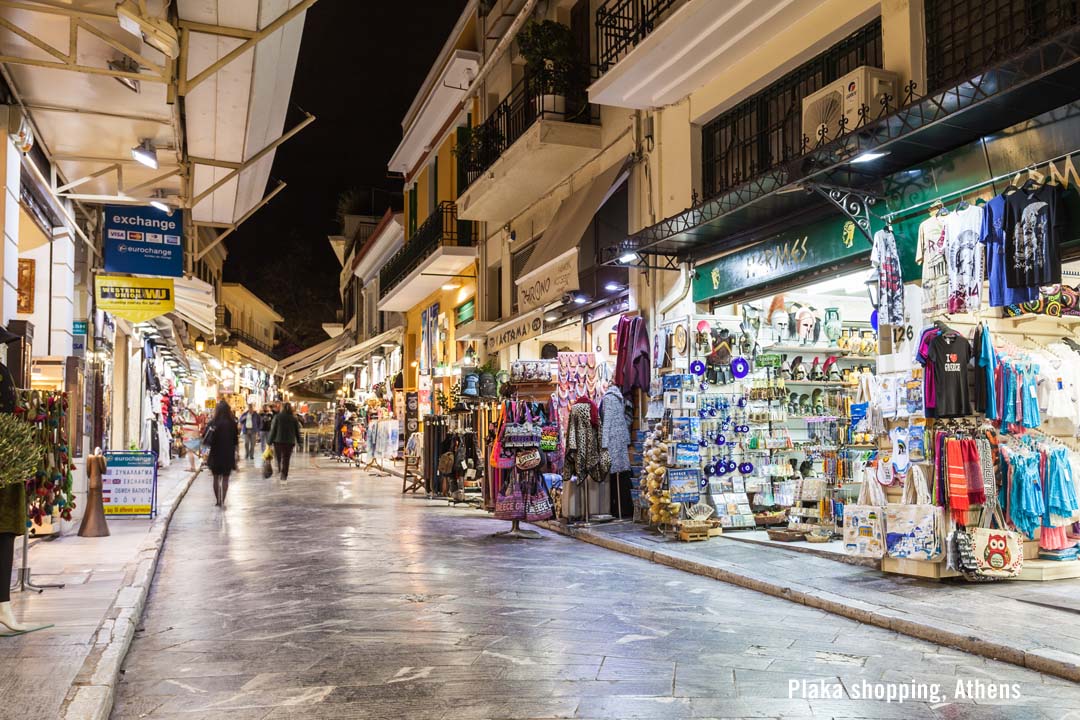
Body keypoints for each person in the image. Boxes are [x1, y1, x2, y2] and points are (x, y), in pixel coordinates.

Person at [204, 401, 239, 507]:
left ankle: (218, 501)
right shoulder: (232, 423)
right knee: (225, 478)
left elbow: (205, 439)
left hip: (215, 453)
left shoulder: (213, 422)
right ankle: (223, 500)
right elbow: (235, 441)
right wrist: (237, 455)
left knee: (215, 478)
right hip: (228, 454)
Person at [268, 402, 302, 481]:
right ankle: (284, 474)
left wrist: (269, 441)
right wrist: (299, 442)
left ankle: (279, 467)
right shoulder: (294, 418)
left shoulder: (277, 417)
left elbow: (273, 430)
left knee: (278, 456)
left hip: (278, 441)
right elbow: (297, 431)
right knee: (286, 458)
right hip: (289, 442)